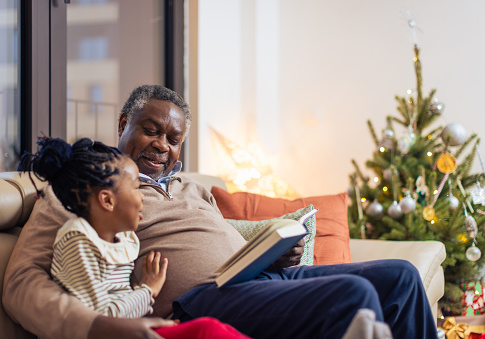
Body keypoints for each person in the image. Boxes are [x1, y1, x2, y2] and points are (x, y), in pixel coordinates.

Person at [3, 84, 439, 339]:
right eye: (151, 130)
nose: (162, 145)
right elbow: (21, 284)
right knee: (354, 297)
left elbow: (222, 239)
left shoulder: (191, 186)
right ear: (123, 126)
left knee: (400, 277)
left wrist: (272, 250)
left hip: (263, 279)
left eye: (173, 139)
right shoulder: (87, 187)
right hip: (203, 300)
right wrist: (97, 327)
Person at [16, 136, 251, 339]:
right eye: (136, 188)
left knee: (210, 329)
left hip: (129, 324)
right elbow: (104, 319)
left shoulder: (123, 237)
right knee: (206, 331)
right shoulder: (78, 241)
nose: (143, 197)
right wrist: (146, 291)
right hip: (110, 333)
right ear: (107, 201)